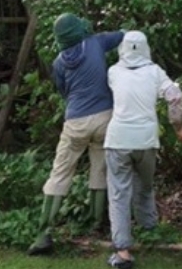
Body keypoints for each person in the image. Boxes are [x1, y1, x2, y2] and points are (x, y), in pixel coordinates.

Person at [28, 13, 124, 256]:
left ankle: (43, 235)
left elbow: (64, 92)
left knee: (60, 172)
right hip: (104, 116)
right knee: (99, 169)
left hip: (75, 121)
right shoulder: (96, 43)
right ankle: (94, 225)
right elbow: (124, 36)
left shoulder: (59, 62)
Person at [104, 30, 182, 269]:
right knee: (145, 185)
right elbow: (174, 95)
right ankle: (150, 229)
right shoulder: (155, 72)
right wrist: (179, 127)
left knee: (119, 194)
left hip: (118, 139)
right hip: (146, 140)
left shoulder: (113, 71)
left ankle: (123, 252)